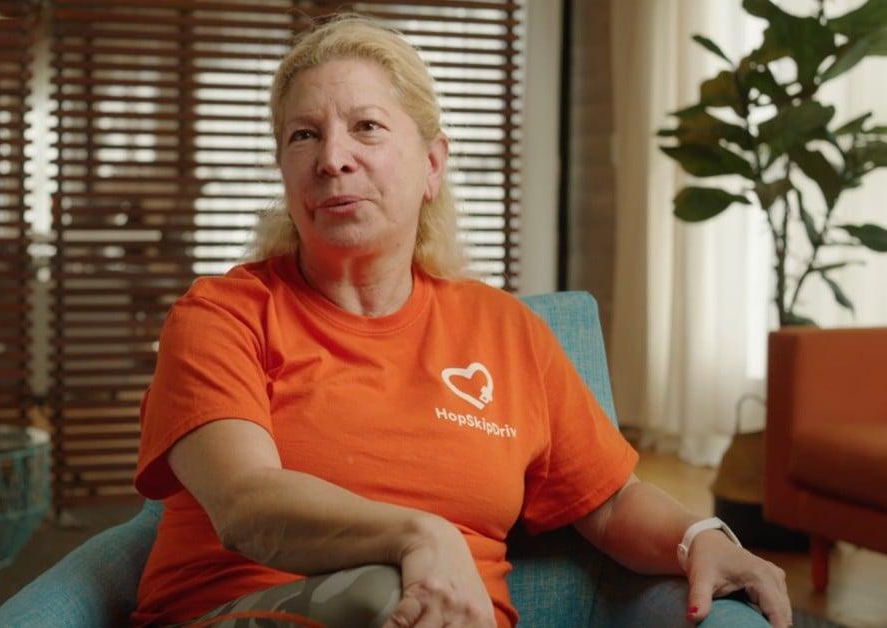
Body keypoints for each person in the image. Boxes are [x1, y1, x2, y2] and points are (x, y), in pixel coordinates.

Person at [131, 14, 791, 628]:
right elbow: (246, 503)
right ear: (285, 170)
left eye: (366, 127)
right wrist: (422, 534)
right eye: (305, 135)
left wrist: (702, 537)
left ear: (432, 165)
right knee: (379, 596)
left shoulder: (506, 333)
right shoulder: (222, 316)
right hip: (248, 612)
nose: (333, 157)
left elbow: (612, 503)